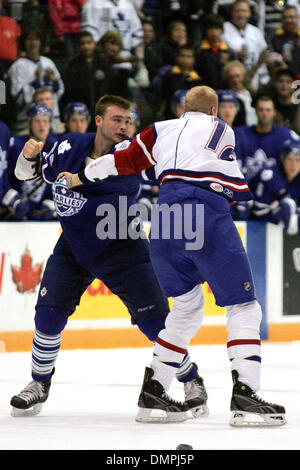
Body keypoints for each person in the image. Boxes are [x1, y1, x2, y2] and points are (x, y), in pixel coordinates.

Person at [61, 86, 286, 427]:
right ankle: (246, 394)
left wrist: (80, 176)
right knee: (244, 305)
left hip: (165, 217)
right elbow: (233, 182)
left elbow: (118, 161)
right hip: (204, 210)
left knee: (185, 309)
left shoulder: (159, 130)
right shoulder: (221, 127)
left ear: (183, 109)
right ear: (214, 109)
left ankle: (154, 391)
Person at [10, 94, 208, 420]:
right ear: (98, 120)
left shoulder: (130, 157)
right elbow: (26, 175)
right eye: (117, 119)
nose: (124, 126)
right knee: (47, 316)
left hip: (122, 248)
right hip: (73, 245)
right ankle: (38, 383)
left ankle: (191, 379)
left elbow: (155, 172)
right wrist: (27, 158)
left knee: (156, 324)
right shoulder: (69, 146)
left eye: (128, 121)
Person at [2, 103, 58, 221]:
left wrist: (51, 203)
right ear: (29, 123)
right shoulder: (15, 144)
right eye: (37, 120)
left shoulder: (57, 146)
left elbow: (62, 179)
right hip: (13, 211)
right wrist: (11, 198)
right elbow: (3, 174)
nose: (42, 125)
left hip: (42, 214)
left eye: (45, 120)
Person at [7, 30, 64, 134]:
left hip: (53, 119)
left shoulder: (48, 62)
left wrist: (54, 81)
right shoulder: (18, 66)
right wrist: (35, 82)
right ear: (24, 43)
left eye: (36, 39)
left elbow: (59, 91)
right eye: (29, 39)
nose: (33, 43)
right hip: (28, 122)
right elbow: (17, 98)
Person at [234, 95, 299, 179]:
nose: (264, 113)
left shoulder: (285, 135)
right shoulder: (240, 133)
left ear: (274, 112)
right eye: (261, 110)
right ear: (256, 111)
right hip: (245, 186)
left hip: (274, 187)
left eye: (268, 110)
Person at [249, 139, 300, 235]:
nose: (294, 165)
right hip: (257, 226)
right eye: (290, 159)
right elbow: (259, 213)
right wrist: (280, 215)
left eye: (298, 160)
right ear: (283, 159)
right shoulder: (270, 176)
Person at [222, 0, 270, 91]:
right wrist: (234, 54)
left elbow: (263, 54)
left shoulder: (256, 31)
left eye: (244, 11)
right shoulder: (224, 29)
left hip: (254, 79)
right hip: (232, 80)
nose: (241, 14)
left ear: (249, 13)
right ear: (232, 12)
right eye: (237, 11)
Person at [194, 13, 235, 90]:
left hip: (224, 91)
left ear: (222, 30)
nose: (214, 32)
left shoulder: (229, 51)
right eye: (210, 28)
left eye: (217, 28)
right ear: (205, 30)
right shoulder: (198, 50)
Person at [270, 5, 300, 79]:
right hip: (282, 80)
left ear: (297, 18)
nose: (288, 20)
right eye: (285, 17)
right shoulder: (275, 37)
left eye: (291, 17)